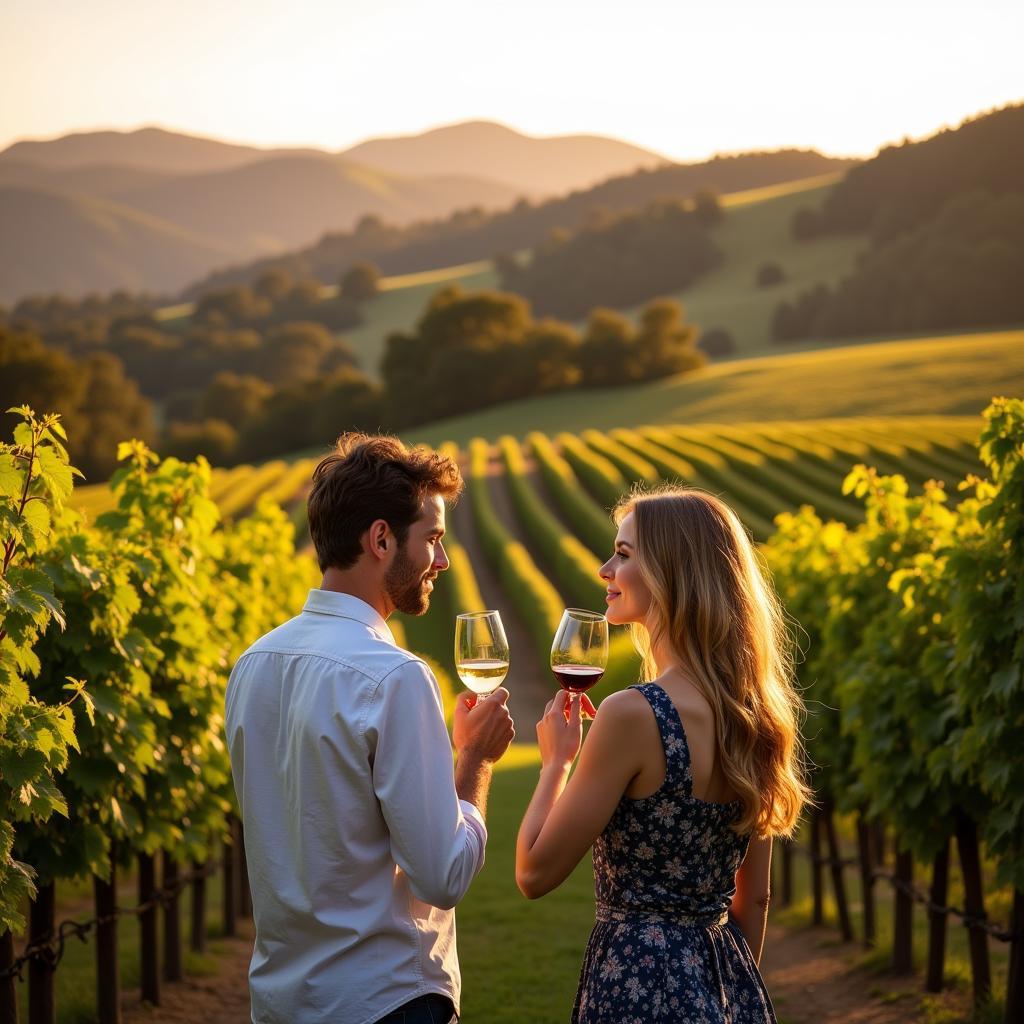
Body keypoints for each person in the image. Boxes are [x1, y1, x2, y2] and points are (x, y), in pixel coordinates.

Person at [225, 434, 515, 1024]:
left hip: (282, 1001)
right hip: (386, 1001)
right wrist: (476, 761)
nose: (444, 560)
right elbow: (441, 875)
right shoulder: (395, 678)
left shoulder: (253, 664)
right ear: (381, 539)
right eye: (432, 539)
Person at [516, 486, 809, 1023]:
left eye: (624, 555)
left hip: (633, 987)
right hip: (726, 984)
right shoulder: (760, 718)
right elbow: (757, 899)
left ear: (672, 574)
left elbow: (534, 872)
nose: (605, 569)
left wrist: (556, 763)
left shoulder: (632, 715)